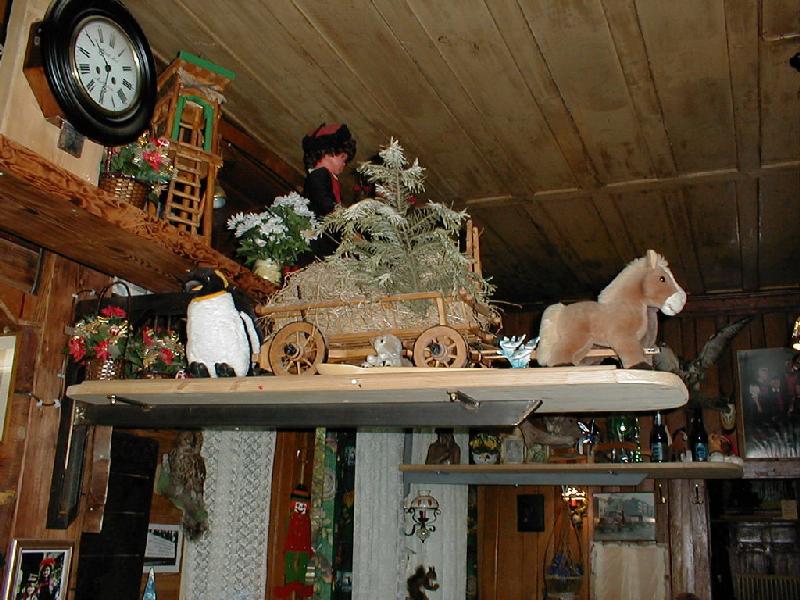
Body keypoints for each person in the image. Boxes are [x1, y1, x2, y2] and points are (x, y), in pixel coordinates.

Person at [299, 123, 357, 262]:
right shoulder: (319, 174)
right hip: (316, 241)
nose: (345, 164)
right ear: (327, 154)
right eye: (343, 158)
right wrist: (344, 220)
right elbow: (325, 202)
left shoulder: (328, 178)